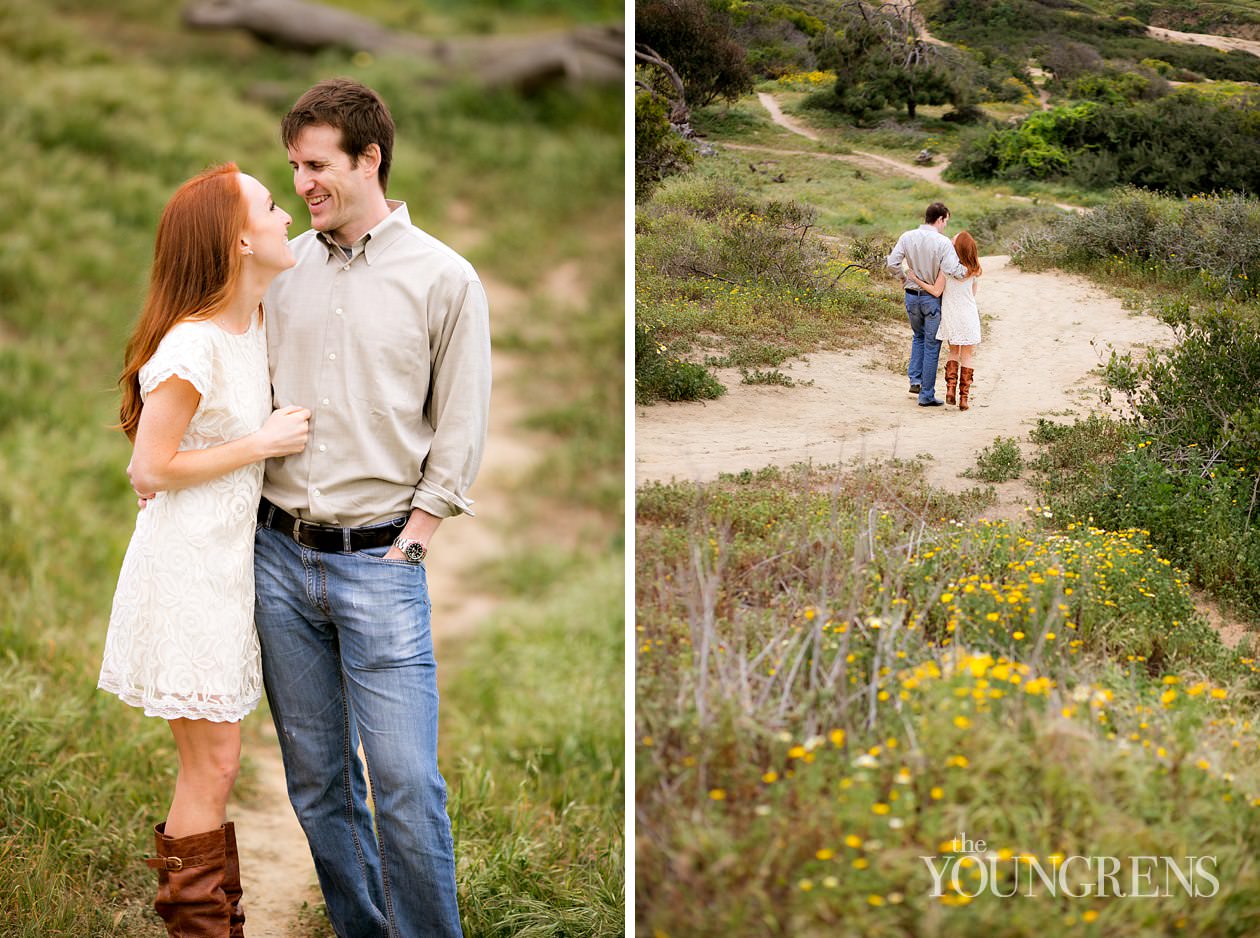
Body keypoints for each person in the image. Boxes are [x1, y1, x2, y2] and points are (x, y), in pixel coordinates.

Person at [252, 78, 490, 937]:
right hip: (276, 558)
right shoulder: (282, 272)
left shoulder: (444, 278)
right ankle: (362, 928)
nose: (304, 182)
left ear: (369, 159)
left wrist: (416, 540)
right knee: (315, 781)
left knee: (403, 784)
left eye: (316, 165)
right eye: (295, 167)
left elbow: (461, 423)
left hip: (380, 563)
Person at [99, 163, 311, 935]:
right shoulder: (193, 345)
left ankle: (217, 923)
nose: (286, 214)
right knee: (213, 766)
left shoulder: (250, 321)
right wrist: (260, 442)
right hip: (188, 572)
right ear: (238, 239)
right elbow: (152, 465)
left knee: (217, 764)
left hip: (225, 568)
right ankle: (201, 925)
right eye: (270, 204)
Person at [885, 202, 968, 407]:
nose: (945, 226)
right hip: (931, 298)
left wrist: (903, 279)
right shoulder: (942, 242)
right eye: (946, 221)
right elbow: (950, 268)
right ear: (940, 219)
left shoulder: (907, 236)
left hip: (911, 296)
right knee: (932, 344)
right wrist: (968, 271)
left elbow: (891, 264)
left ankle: (915, 380)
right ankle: (926, 395)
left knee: (918, 336)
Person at [908, 230, 983, 410]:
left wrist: (915, 279)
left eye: (953, 240)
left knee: (953, 353)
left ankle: (950, 390)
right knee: (967, 355)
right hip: (969, 315)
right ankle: (964, 399)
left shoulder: (947, 269)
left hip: (951, 316)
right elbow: (972, 294)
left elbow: (935, 291)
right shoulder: (975, 270)